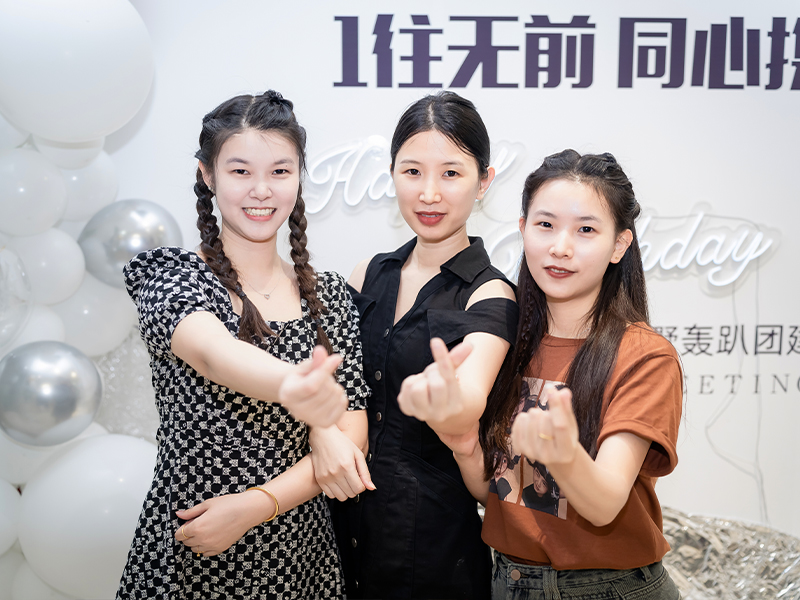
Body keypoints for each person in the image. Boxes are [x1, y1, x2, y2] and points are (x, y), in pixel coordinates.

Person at [116, 90, 370, 600]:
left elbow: (352, 437)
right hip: (196, 546)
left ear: (299, 176)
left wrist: (256, 505)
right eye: (240, 171)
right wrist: (302, 396)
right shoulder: (174, 277)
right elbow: (214, 353)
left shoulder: (330, 295)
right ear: (208, 176)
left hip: (300, 552)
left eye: (280, 171)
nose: (261, 190)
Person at [415, 150, 683, 599]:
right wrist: (464, 445)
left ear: (620, 245)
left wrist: (563, 454)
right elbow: (499, 498)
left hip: (606, 589)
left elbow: (604, 505)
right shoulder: (505, 339)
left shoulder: (644, 355)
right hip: (509, 581)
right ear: (523, 228)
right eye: (545, 224)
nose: (561, 247)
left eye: (586, 230)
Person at [325, 91, 518, 599]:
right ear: (392, 173)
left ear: (484, 181)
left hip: (432, 550)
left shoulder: (489, 293)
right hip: (338, 534)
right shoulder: (367, 274)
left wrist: (448, 399)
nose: (429, 193)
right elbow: (334, 391)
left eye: (451, 173)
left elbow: (470, 397)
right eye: (412, 172)